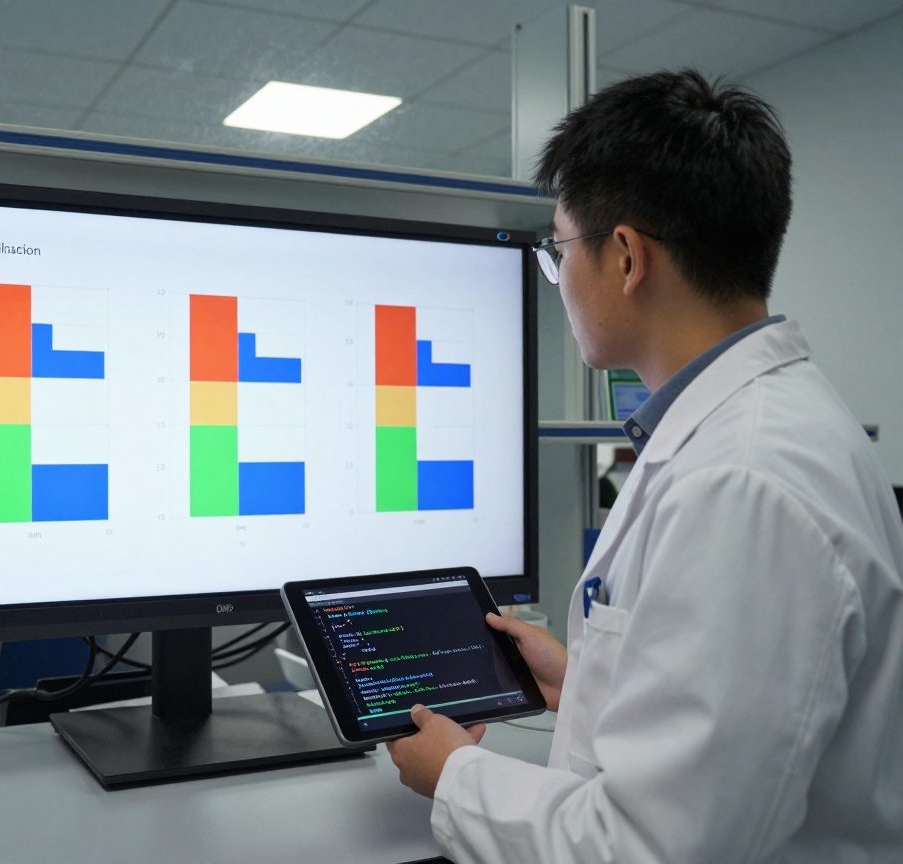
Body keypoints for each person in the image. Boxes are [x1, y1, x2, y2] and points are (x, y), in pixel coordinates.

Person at [387, 69, 903, 863]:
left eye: (559, 250)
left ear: (626, 257)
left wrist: (456, 775)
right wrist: (587, 678)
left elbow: (653, 846)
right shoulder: (759, 430)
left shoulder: (744, 484)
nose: (558, 278)